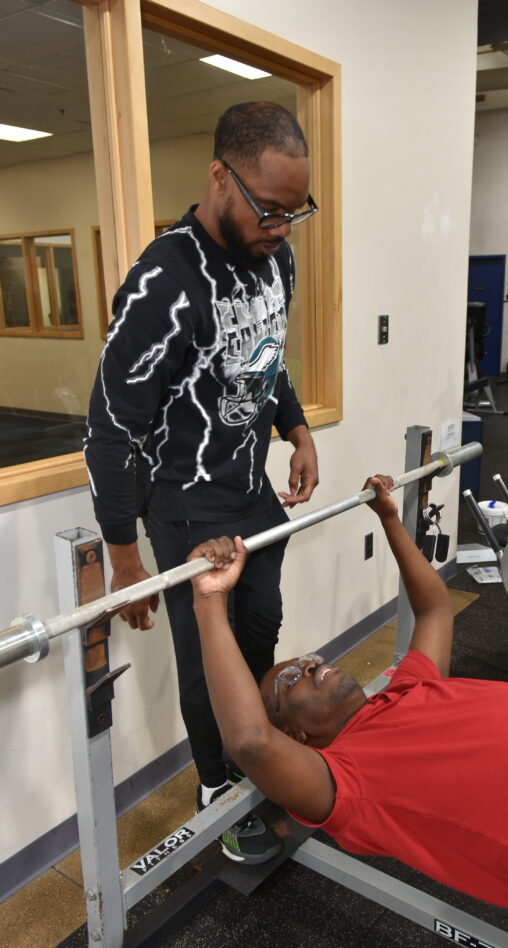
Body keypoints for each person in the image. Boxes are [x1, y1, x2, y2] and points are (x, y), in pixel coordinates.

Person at [189, 475, 508, 948]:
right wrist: (209, 600)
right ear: (293, 736)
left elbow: (433, 606)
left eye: (306, 658)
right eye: (290, 680)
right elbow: (250, 740)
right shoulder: (345, 783)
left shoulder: (408, 688)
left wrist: (387, 518)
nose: (310, 666)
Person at [85, 101, 319, 865]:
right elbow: (112, 426)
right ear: (220, 177)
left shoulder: (274, 255)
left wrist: (296, 430)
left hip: (251, 489)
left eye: (295, 211)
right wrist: (125, 556)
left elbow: (269, 356)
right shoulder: (164, 282)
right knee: (204, 655)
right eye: (270, 209)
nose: (282, 228)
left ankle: (254, 754)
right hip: (186, 507)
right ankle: (216, 786)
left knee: (259, 632)